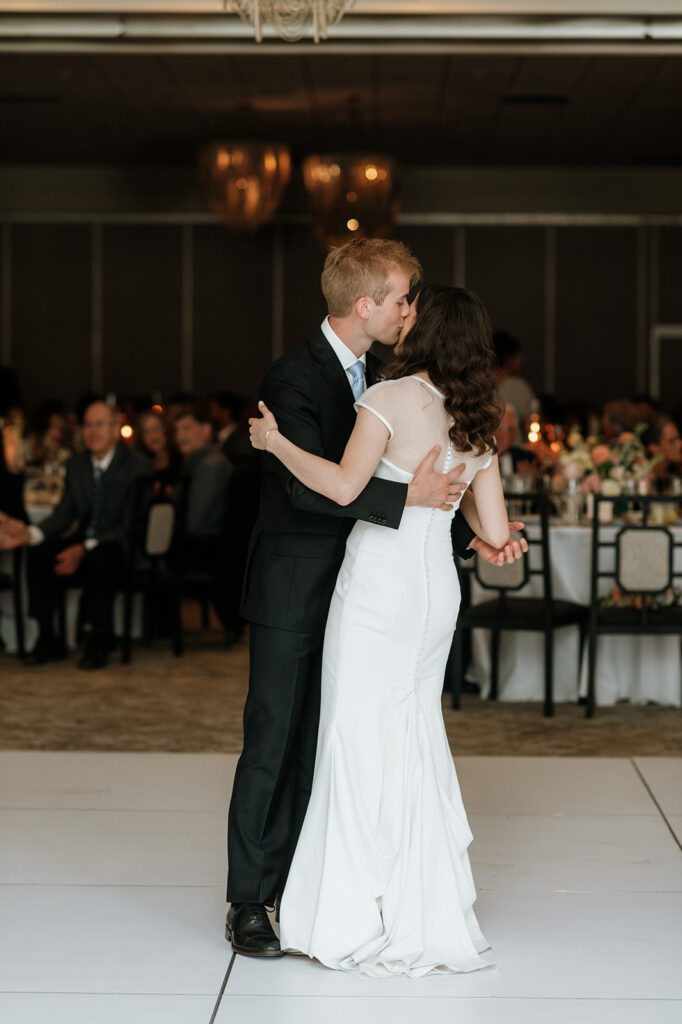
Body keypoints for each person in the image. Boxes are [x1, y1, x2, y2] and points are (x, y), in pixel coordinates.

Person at [225, 239, 526, 960]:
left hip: (372, 589)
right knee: (280, 738)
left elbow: (363, 483)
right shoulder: (295, 374)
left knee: (342, 736)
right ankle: (252, 899)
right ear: (367, 305)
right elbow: (307, 491)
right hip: (302, 586)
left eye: (413, 305)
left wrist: (437, 516)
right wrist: (434, 511)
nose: (404, 311)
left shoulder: (392, 386)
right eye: (398, 298)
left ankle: (328, 885)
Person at [0, 399, 152, 669]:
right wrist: (32, 534)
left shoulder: (136, 465)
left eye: (100, 424)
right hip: (85, 542)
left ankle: (98, 639)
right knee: (41, 552)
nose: (93, 431)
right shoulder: (77, 464)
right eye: (88, 425)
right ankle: (47, 637)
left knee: (101, 557)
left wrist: (84, 548)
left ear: (116, 429)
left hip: (121, 547)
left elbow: (128, 526)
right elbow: (64, 514)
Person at [172, 403, 234, 639]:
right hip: (205, 545)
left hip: (204, 548)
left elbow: (193, 522)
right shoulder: (197, 462)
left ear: (206, 430)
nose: (179, 436)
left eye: (186, 428)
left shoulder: (210, 465)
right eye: (176, 430)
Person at [493, 329, 536, 424]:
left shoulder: (478, 384)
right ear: (509, 359)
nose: (521, 361)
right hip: (513, 439)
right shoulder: (517, 387)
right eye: (519, 356)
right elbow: (531, 422)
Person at [495, 403, 539, 480]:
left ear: (515, 433)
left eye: (505, 429)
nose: (498, 434)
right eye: (494, 427)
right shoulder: (475, 459)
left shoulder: (526, 460)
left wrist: (529, 480)